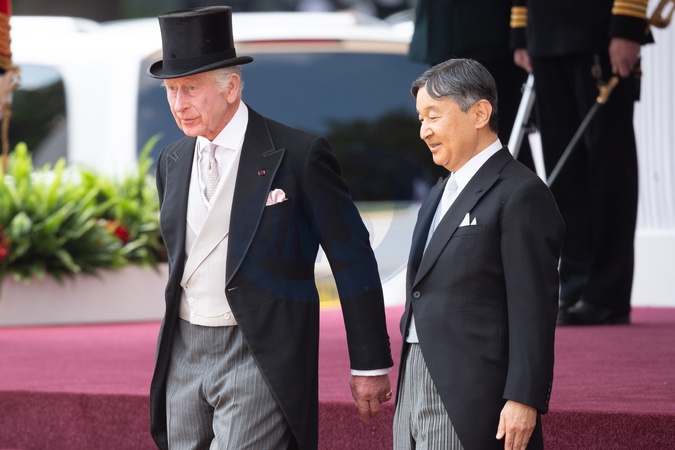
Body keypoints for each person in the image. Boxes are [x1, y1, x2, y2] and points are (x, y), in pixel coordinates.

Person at [146, 7, 393, 449]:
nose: (178, 104)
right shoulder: (172, 161)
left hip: (259, 349)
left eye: (191, 88)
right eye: (171, 90)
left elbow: (352, 258)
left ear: (232, 87)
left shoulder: (300, 155)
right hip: (183, 349)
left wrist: (369, 363)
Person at [393, 59, 565, 449]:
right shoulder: (437, 193)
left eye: (433, 116)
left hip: (471, 392)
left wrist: (523, 397)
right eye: (420, 119)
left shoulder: (521, 192)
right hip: (414, 377)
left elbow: (533, 306)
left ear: (480, 113)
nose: (423, 130)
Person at [510, 0, 651, 325]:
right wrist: (522, 27)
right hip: (544, 32)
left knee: (608, 169)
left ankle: (607, 293)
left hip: (599, 29)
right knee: (564, 171)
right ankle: (575, 285)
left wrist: (628, 24)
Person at [408, 0, 533, 167]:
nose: (423, 133)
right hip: (445, 30)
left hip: (492, 36)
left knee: (500, 143)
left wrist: (520, 35)